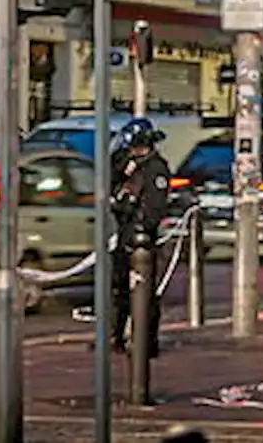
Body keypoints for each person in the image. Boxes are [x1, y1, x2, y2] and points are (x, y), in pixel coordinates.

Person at [109, 118, 171, 356]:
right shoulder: (129, 164)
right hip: (124, 233)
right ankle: (117, 335)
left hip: (142, 239)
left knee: (144, 291)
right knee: (120, 288)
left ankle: (146, 341)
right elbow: (111, 179)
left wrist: (142, 229)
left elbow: (154, 207)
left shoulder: (155, 169)